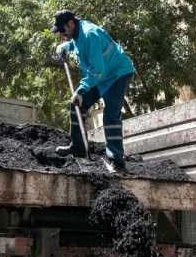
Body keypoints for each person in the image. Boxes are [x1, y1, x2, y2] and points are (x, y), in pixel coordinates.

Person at [50, 9, 136, 173]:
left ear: (71, 23)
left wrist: (81, 89)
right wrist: (65, 46)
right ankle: (78, 147)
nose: (61, 33)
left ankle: (116, 160)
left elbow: (97, 70)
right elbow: (77, 44)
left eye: (62, 30)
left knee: (110, 115)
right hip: (101, 76)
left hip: (118, 74)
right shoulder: (77, 32)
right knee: (76, 104)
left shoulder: (90, 34)